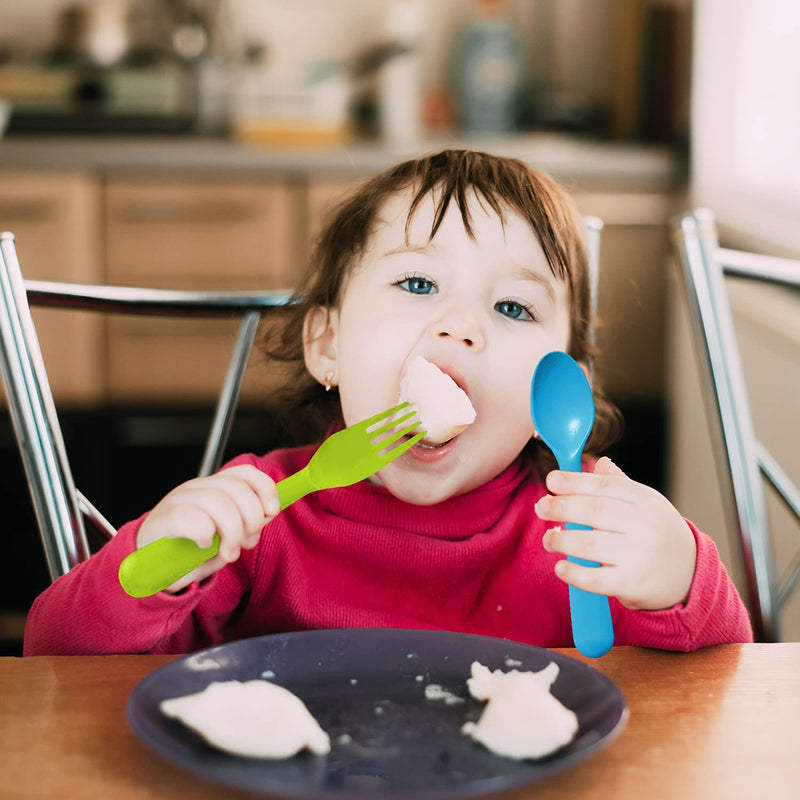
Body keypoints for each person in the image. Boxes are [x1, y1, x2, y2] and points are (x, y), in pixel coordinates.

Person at [23, 150, 752, 656]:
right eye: (418, 285)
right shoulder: (259, 518)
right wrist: (155, 564)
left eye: (512, 306)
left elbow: (723, 675)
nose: (460, 326)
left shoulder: (584, 526)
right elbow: (56, 658)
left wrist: (681, 575)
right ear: (327, 344)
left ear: (559, 385)